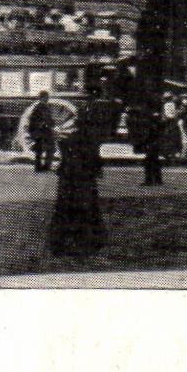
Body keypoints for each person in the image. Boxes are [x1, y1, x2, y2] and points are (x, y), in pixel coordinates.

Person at [48, 95, 110, 256]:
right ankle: (88, 242)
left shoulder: (67, 138)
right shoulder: (91, 140)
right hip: (85, 177)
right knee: (87, 207)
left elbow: (62, 153)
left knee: (64, 208)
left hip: (68, 177)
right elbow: (95, 158)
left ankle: (60, 243)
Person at [28, 91, 57, 172]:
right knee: (48, 148)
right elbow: (46, 119)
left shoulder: (38, 107)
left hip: (40, 131)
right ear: (43, 98)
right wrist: (50, 124)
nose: (48, 99)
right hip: (43, 131)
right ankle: (45, 166)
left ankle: (40, 166)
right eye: (46, 97)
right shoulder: (42, 107)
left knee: (40, 149)